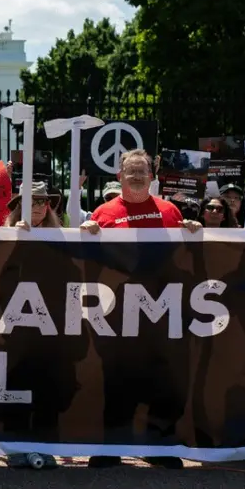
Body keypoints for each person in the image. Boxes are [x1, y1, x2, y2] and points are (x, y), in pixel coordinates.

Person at [79, 149, 202, 470]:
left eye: (141, 171)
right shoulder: (103, 213)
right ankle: (111, 447)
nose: (135, 177)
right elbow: (88, 262)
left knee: (163, 379)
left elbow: (187, 257)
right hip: (118, 312)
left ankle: (160, 446)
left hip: (163, 310)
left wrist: (195, 233)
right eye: (130, 172)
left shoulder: (170, 211)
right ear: (119, 177)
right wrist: (87, 235)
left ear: (153, 176)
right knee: (116, 380)